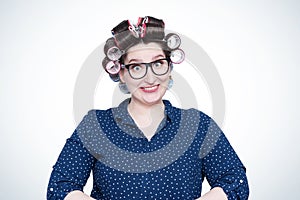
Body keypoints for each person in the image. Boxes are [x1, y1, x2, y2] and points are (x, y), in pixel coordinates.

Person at [47, 16, 249, 200]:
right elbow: (60, 187)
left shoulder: (197, 125)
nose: (150, 78)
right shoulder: (95, 125)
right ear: (121, 73)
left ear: (169, 67)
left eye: (158, 63)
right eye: (136, 67)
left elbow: (235, 181)